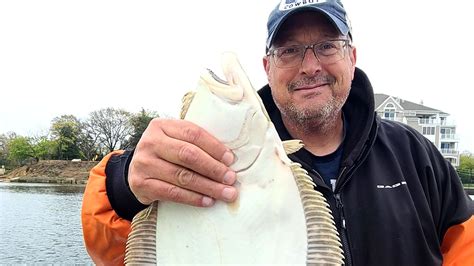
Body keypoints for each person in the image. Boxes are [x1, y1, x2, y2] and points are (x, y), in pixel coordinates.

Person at [81, 0, 474, 265]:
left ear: (351, 58)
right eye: (289, 50)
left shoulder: (415, 154)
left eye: (326, 46)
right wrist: (125, 186)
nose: (309, 66)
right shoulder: (198, 159)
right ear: (266, 67)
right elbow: (112, 254)